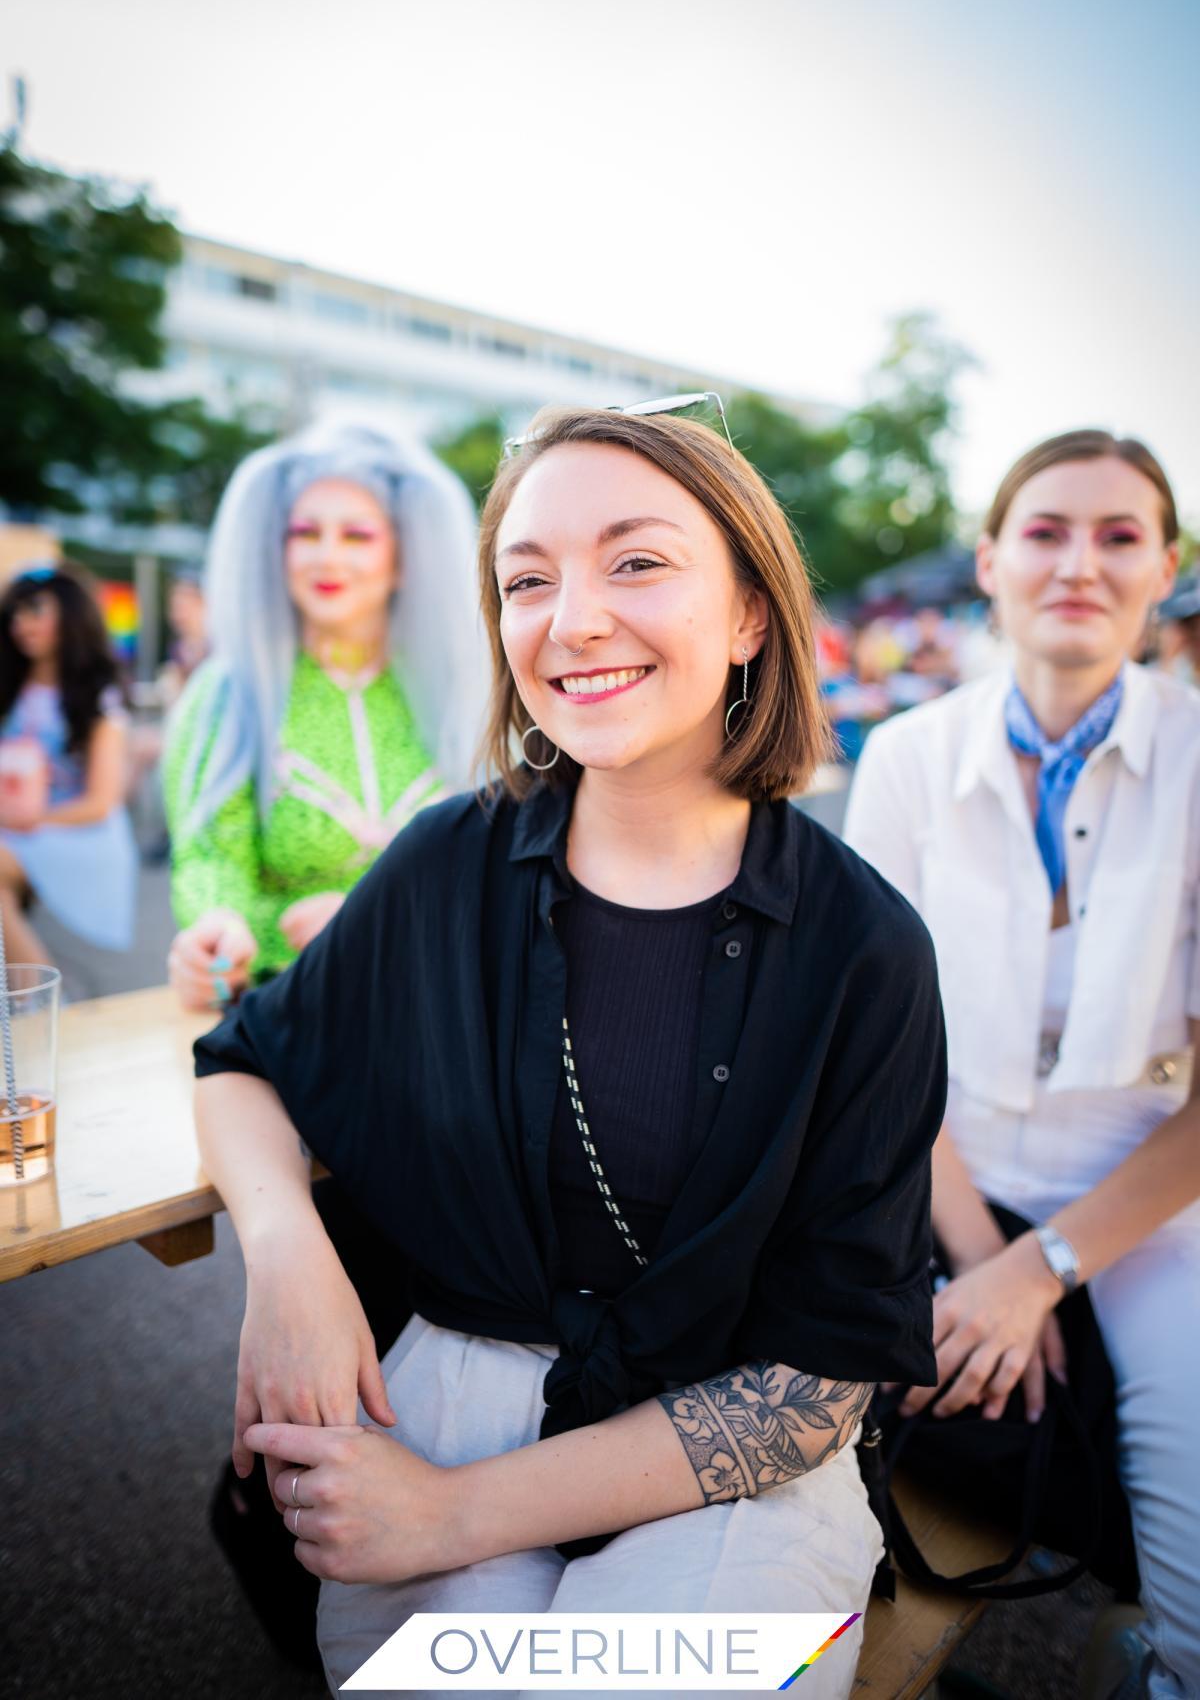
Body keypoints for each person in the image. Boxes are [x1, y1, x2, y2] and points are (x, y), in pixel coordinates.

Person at [192, 402, 946, 1700]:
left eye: (636, 562)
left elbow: (815, 1389)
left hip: (732, 1468)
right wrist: (287, 1254)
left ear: (752, 614)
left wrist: (454, 1515)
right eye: (527, 580)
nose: (573, 619)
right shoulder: (449, 861)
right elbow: (244, 1061)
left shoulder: (863, 947)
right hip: (448, 1402)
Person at [844, 429, 1200, 1699]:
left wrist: (1043, 1268)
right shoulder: (907, 754)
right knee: (794, 1427)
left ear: (1165, 567)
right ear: (991, 561)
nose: (1079, 564)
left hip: (1152, 1201)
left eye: (1119, 536)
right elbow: (880, 1051)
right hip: (934, 1170)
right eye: (1046, 531)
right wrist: (978, 1254)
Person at [164, 421, 486, 1007]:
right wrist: (217, 931)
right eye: (306, 533)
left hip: (446, 1005)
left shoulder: (462, 694)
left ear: (403, 559)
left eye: (357, 535)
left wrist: (374, 919)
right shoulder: (229, 694)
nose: (327, 556)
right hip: (290, 1007)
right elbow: (210, 855)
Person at [0, 563, 137, 960]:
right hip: (16, 829)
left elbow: (100, 803)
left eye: (35, 610)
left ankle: (40, 993)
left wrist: (26, 820)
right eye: (15, 614)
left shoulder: (98, 697)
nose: (22, 624)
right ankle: (34, 990)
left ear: (70, 615)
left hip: (77, 832)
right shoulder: (11, 688)